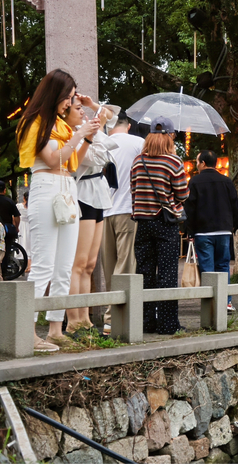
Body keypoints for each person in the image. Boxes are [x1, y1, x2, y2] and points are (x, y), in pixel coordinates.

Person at [16, 69, 100, 352]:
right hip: (45, 188)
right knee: (43, 265)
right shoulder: (34, 123)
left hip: (66, 190)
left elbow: (72, 163)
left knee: (64, 266)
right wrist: (79, 135)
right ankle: (27, 331)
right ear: (56, 93)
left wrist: (87, 137)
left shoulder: (61, 126)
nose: (70, 102)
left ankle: (55, 329)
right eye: (68, 96)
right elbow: (53, 160)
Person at [130, 116, 189, 335]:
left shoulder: (138, 161)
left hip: (143, 223)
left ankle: (146, 321)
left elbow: (133, 190)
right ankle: (167, 323)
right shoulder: (173, 162)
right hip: (165, 223)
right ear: (169, 136)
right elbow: (183, 194)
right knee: (167, 273)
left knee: (145, 273)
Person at [64, 95, 116, 333]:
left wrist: (94, 106)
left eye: (82, 108)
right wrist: (97, 129)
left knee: (90, 264)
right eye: (78, 109)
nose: (83, 112)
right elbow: (98, 155)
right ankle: (73, 320)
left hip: (98, 194)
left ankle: (85, 318)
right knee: (79, 263)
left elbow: (112, 117)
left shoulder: (86, 129)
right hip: (82, 194)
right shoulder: (70, 135)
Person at [101, 112, 144, 335]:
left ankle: (111, 315)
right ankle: (114, 318)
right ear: (128, 125)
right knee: (125, 265)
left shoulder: (100, 142)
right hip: (128, 210)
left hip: (102, 212)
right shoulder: (138, 143)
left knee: (109, 267)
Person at [184, 149, 238, 309]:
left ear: (203, 163)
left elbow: (190, 208)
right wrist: (234, 226)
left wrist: (189, 230)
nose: (196, 165)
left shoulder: (194, 181)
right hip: (224, 230)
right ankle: (226, 301)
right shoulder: (226, 181)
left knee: (207, 268)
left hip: (203, 231)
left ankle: (211, 304)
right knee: (223, 266)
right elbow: (235, 206)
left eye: (197, 162)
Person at [0, 180, 21, 276]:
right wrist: (16, 227)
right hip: (6, 231)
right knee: (6, 250)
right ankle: (4, 273)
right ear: (4, 190)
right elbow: (17, 216)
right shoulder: (9, 201)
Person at [16, 192, 31, 273]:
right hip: (30, 226)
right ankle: (29, 265)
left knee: (22, 244)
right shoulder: (33, 207)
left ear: (23, 198)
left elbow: (15, 217)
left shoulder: (19, 206)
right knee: (29, 246)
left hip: (21, 226)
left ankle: (22, 266)